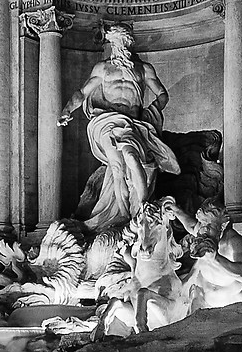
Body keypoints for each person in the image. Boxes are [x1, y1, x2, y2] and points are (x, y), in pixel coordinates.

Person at [64, 23, 178, 231]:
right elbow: (82, 93)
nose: (116, 46)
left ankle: (143, 209)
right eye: (113, 42)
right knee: (117, 168)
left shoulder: (144, 69)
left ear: (127, 42)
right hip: (107, 122)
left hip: (132, 124)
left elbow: (162, 95)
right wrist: (67, 110)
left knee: (133, 159)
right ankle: (125, 215)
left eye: (118, 41)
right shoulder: (102, 68)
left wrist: (150, 112)